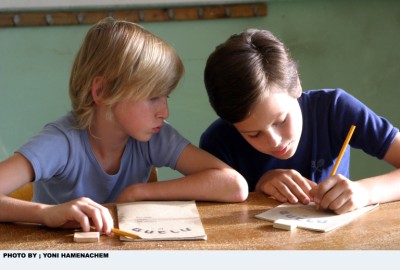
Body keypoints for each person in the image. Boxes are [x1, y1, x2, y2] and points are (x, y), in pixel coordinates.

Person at [0, 18, 248, 235]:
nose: (165, 112)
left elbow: (234, 185)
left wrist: (140, 192)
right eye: (153, 97)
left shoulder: (153, 136)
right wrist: (46, 213)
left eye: (166, 97)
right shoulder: (60, 143)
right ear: (102, 91)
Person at [200, 28, 400, 214]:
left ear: (296, 83)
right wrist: (257, 187)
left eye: (280, 121)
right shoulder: (218, 142)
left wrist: (365, 192)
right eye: (253, 134)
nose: (274, 142)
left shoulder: (334, 109)